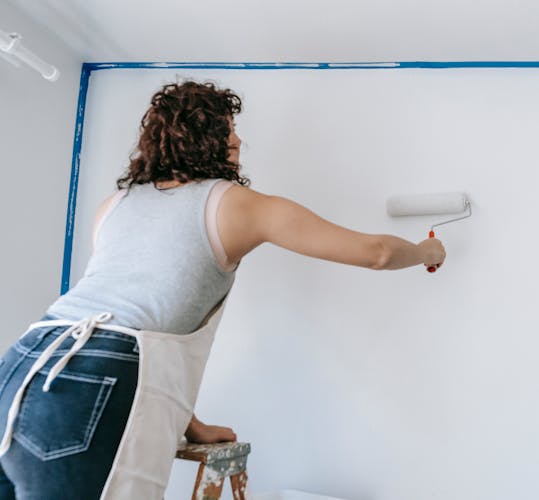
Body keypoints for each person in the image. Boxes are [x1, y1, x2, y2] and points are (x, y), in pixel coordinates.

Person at [0, 80, 445, 499]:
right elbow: (376, 253)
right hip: (93, 379)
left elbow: (139, 323)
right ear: (211, 140)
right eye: (230, 132)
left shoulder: (114, 206)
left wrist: (191, 426)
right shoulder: (235, 204)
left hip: (23, 363)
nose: (238, 143)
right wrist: (428, 251)